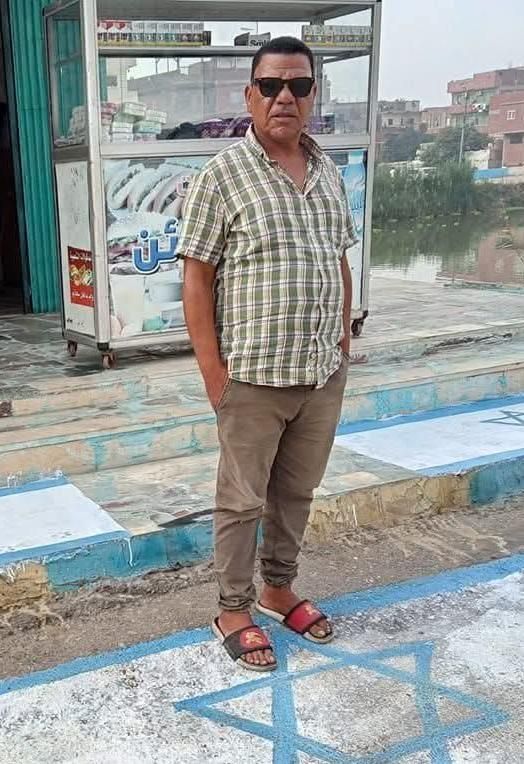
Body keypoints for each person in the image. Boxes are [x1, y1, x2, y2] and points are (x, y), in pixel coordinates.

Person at [179, 36, 357, 672]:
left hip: (321, 370)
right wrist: (213, 374)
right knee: (241, 500)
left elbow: (339, 258)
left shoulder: (329, 173)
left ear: (313, 96)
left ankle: (279, 590)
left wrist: (343, 339)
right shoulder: (221, 176)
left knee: (297, 492)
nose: (286, 97)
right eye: (272, 85)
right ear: (250, 95)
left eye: (299, 86)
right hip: (251, 376)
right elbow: (197, 278)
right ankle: (232, 607)